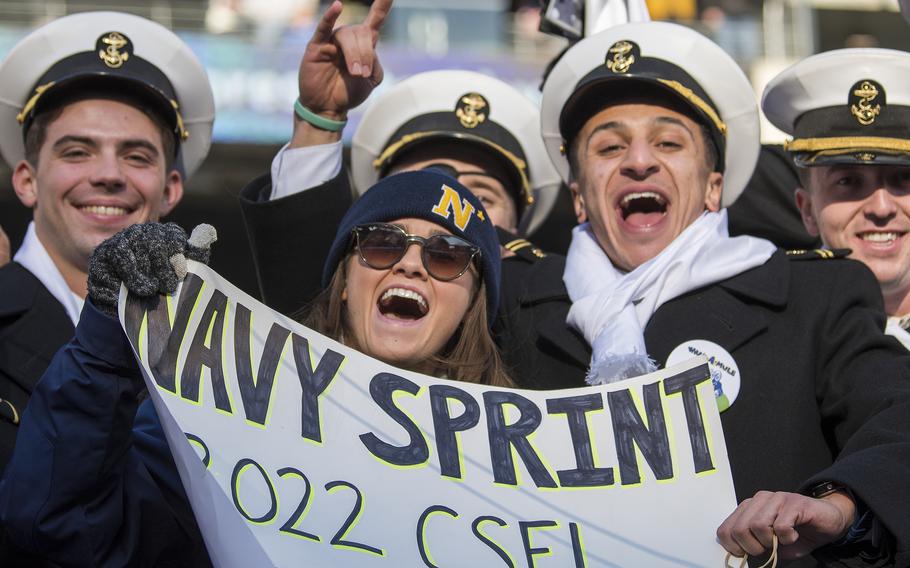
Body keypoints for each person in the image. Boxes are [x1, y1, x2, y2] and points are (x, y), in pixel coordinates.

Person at [508, 21, 908, 564]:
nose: (639, 161)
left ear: (714, 186)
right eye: (609, 147)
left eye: (669, 142)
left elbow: (898, 414)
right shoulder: (514, 301)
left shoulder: (813, 297)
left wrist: (838, 504)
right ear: (579, 196)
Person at [0, 170, 508, 565]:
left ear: (472, 302)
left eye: (446, 256)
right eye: (382, 243)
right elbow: (60, 523)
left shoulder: (523, 465)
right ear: (346, 282)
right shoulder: (217, 405)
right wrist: (107, 341)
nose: (410, 264)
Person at [239, 0, 562, 316]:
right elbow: (300, 284)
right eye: (420, 188)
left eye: (479, 198)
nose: (444, 211)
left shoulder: (545, 343)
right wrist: (320, 119)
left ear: (516, 236)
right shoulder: (338, 321)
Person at [0, 11, 214, 476]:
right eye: (77, 152)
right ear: (27, 180)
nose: (109, 175)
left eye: (136, 156)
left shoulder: (210, 349)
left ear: (170, 189)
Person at [762, 48, 910, 349]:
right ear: (807, 210)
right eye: (848, 182)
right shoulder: (766, 335)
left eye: (904, 178)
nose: (881, 208)